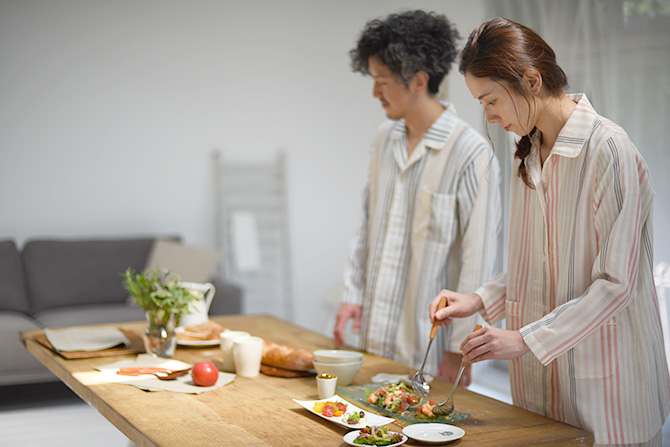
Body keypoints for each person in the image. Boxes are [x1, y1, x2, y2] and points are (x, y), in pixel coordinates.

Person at [429, 18, 670, 446]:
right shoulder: (527, 156)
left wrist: (524, 338)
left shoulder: (608, 149)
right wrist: (479, 300)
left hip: (609, 394)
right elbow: (536, 265)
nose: (489, 116)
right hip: (544, 393)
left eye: (491, 101)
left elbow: (616, 284)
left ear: (532, 80)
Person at [334, 10, 502, 385]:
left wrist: (460, 350)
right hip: (374, 339)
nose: (375, 92)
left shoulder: (471, 153)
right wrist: (351, 295)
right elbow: (366, 224)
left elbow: (478, 259)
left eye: (382, 81)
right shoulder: (384, 139)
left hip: (430, 349)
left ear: (419, 81)